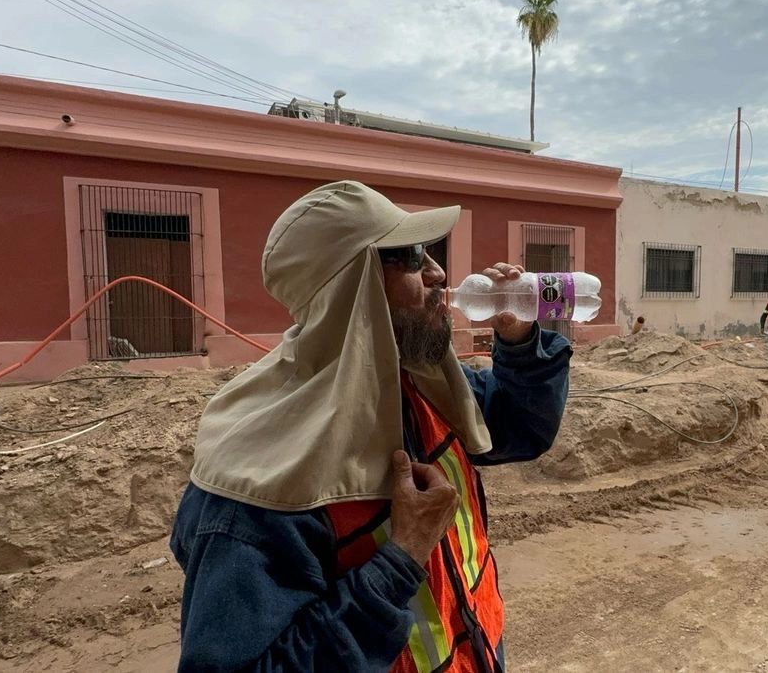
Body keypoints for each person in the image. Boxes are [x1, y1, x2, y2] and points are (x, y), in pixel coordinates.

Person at [170, 181, 571, 672]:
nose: (438, 273)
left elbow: (518, 430)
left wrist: (521, 342)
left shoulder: (419, 383)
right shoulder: (254, 485)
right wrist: (401, 558)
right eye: (410, 257)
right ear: (350, 288)